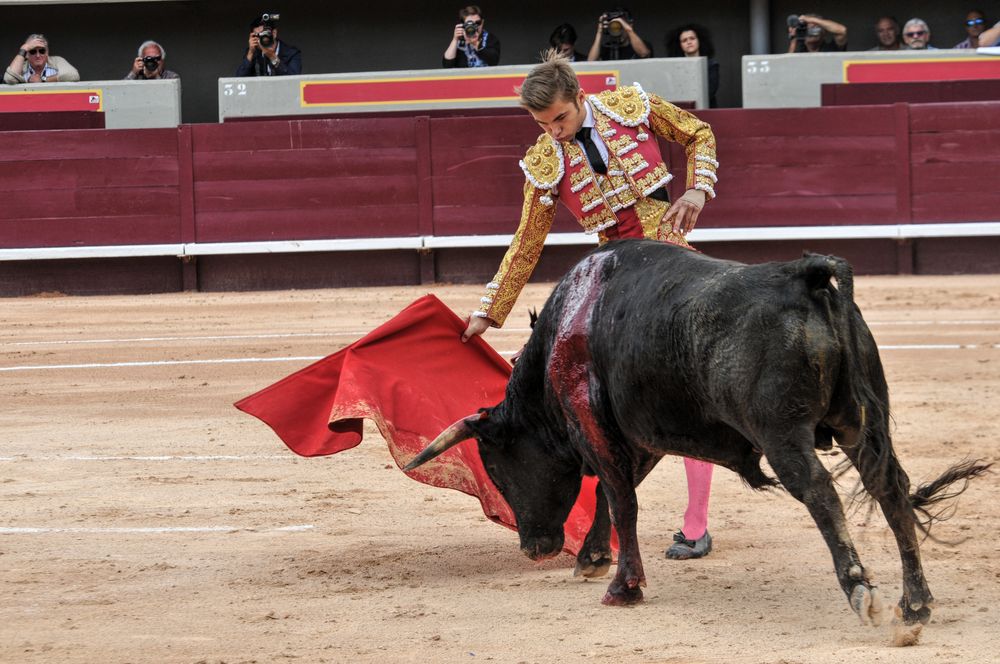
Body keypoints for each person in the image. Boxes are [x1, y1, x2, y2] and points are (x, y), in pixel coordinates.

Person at [461, 51, 719, 560]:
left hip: (671, 259)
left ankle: (696, 524)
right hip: (615, 274)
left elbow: (699, 133)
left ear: (580, 96)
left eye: (560, 118)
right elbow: (526, 242)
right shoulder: (545, 160)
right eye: (542, 124)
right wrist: (489, 310)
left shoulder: (631, 106)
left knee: (690, 385)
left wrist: (697, 190)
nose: (554, 132)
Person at [665, 23, 719, 108]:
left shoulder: (711, 64)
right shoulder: (675, 67)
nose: (689, 42)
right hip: (683, 110)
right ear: (679, 45)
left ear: (699, 40)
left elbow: (710, 92)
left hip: (707, 109)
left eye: (692, 38)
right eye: (684, 40)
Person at [236, 12, 301, 77]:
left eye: (264, 34)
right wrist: (250, 53)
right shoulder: (253, 52)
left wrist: (273, 57)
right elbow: (239, 80)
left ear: (274, 33)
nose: (261, 38)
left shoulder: (291, 53)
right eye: (257, 35)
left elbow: (293, 80)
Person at [4, 33, 79, 84]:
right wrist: (24, 48)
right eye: (33, 51)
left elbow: (73, 75)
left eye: (42, 51)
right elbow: (9, 79)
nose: (38, 55)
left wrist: (43, 80)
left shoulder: (57, 61)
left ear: (47, 52)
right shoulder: (21, 67)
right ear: (26, 54)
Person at [587, 7, 653, 61]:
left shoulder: (641, 45)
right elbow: (590, 62)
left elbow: (644, 54)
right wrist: (599, 32)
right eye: (615, 27)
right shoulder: (606, 48)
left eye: (621, 26)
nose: (618, 29)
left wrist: (628, 29)